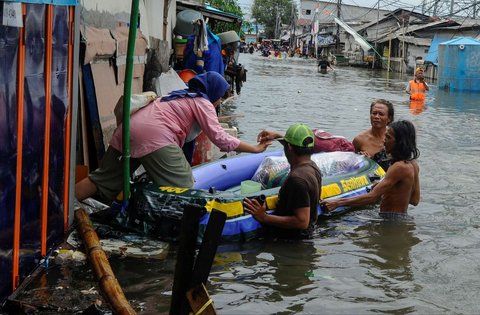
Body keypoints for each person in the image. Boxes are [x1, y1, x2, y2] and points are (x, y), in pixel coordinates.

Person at [75, 71, 271, 202]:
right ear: (213, 92)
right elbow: (220, 138)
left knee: (101, 179)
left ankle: (62, 208)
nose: (219, 99)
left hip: (129, 129)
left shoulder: (181, 95)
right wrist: (254, 149)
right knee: (184, 186)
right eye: (220, 94)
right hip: (154, 136)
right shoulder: (203, 102)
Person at [322, 120, 420, 220]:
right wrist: (389, 188)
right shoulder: (413, 165)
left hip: (390, 219)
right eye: (385, 136)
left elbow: (372, 197)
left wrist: (337, 203)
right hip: (401, 218)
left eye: (388, 138)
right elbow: (414, 200)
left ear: (400, 142)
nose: (384, 141)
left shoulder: (399, 167)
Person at [244, 123, 322, 239]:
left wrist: (264, 217)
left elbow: (302, 222)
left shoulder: (297, 179)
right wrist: (277, 136)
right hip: (306, 237)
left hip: (292, 241)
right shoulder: (313, 168)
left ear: (289, 147)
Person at [352, 99, 394, 171]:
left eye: (381, 114)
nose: (376, 117)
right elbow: (351, 166)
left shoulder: (395, 138)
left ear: (389, 118)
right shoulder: (359, 140)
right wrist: (365, 161)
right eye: (374, 113)